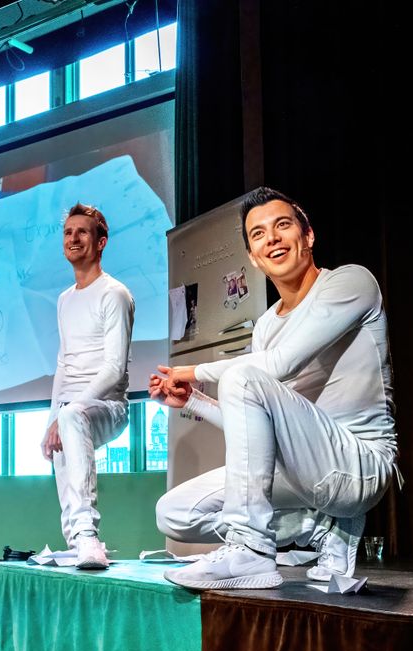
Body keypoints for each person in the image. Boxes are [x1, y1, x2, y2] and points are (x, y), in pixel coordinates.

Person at [151, 187, 398, 589]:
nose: (272, 239)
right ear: (252, 256)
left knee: (244, 376)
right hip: (301, 471)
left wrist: (193, 371)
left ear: (308, 235)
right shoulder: (266, 325)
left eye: (282, 225)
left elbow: (280, 364)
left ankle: (251, 548)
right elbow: (254, 422)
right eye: (259, 234)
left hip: (359, 465)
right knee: (174, 512)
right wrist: (193, 401)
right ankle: (318, 528)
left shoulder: (351, 282)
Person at [41, 203, 135, 569]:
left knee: (72, 415)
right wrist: (51, 420)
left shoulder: (114, 294)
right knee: (66, 425)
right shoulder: (65, 299)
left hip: (109, 406)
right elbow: (63, 365)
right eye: (68, 232)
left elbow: (113, 369)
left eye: (82, 232)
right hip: (71, 408)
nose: (73, 238)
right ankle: (75, 543)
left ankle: (87, 535)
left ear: (101, 242)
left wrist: (65, 414)